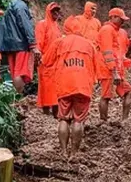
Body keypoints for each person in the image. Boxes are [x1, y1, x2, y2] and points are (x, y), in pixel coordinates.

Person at [42, 16, 96, 156]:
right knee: (79, 120)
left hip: (64, 86)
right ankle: (74, 153)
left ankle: (64, 152)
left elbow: (46, 61)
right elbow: (98, 66)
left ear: (66, 28)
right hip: (83, 87)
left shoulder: (59, 42)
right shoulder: (89, 44)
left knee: (63, 118)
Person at [0, 0, 41, 94]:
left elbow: (2, 24)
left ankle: (15, 98)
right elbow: (26, 25)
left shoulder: (11, 5)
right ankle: (20, 97)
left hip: (10, 45)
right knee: (20, 72)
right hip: (21, 44)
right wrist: (33, 45)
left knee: (14, 72)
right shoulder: (21, 6)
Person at [96, 8, 131, 122]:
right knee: (106, 96)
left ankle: (124, 121)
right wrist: (114, 72)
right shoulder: (106, 30)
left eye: (123, 19)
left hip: (117, 70)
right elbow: (107, 52)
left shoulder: (122, 33)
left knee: (128, 92)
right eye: (120, 19)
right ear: (112, 17)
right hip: (107, 69)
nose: (123, 21)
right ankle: (103, 123)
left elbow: (120, 55)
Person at [35, 2, 63, 117]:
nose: (56, 13)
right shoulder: (42, 24)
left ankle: (56, 113)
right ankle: (46, 114)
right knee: (46, 87)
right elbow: (38, 42)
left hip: (56, 62)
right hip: (45, 62)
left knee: (56, 88)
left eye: (57, 11)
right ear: (49, 12)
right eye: (53, 11)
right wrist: (39, 56)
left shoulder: (56, 26)